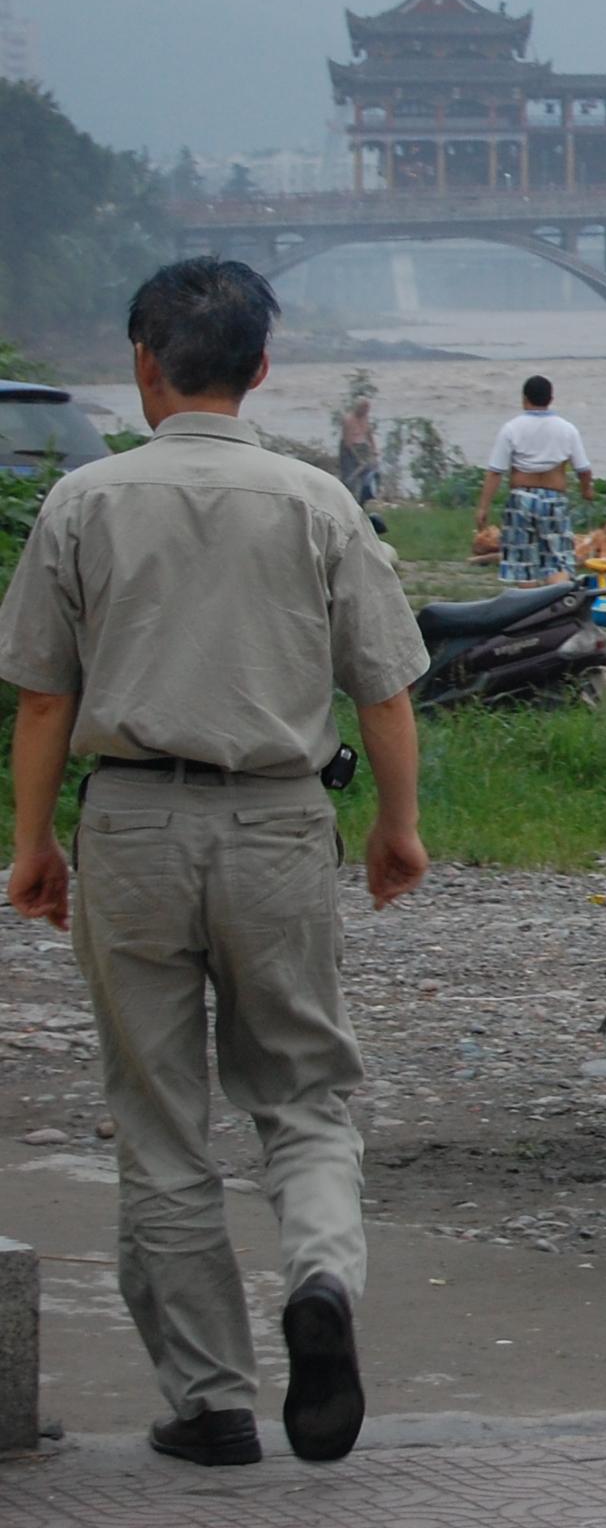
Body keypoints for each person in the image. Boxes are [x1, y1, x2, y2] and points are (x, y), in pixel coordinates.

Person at [1, 257, 430, 1468]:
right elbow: (383, 691)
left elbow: (45, 699)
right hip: (280, 820)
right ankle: (320, 1279)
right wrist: (396, 826)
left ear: (144, 362)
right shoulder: (317, 502)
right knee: (304, 1091)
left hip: (132, 823)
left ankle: (210, 1399)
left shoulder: (83, 500)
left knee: (160, 1117)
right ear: (262, 366)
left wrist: (34, 843)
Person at [473, 376, 593, 585]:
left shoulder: (511, 428)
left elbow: (495, 472)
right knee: (558, 559)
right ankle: (557, 600)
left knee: (523, 562)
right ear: (551, 399)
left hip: (521, 499)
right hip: (554, 498)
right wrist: (586, 491)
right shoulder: (567, 429)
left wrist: (483, 507)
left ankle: (530, 602)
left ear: (524, 398)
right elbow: (583, 469)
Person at [335, 393, 379, 510]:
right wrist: (358, 459)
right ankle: (346, 503)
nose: (366, 411)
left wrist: (374, 449)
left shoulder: (365, 418)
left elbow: (369, 434)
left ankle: (363, 501)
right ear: (358, 408)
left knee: (370, 474)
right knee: (350, 479)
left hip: (363, 448)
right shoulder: (348, 420)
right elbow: (348, 442)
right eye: (364, 408)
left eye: (367, 409)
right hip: (350, 451)